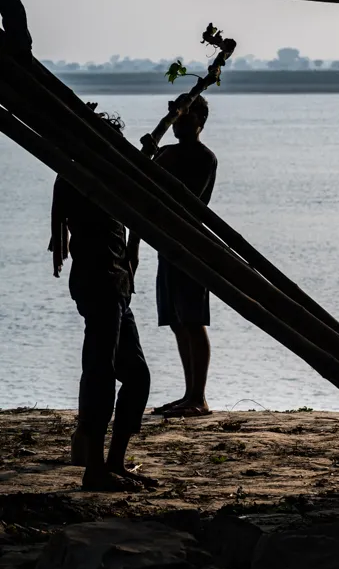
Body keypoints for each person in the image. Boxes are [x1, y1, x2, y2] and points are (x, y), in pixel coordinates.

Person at [49, 110, 151, 492]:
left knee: (136, 376)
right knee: (100, 373)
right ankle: (94, 469)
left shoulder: (106, 176)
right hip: (99, 283)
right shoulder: (82, 177)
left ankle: (114, 463)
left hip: (118, 286)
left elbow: (133, 210)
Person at [150, 96, 218, 417]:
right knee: (177, 322)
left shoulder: (205, 158)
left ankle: (199, 396)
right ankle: (188, 392)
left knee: (193, 320)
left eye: (185, 118)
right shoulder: (166, 153)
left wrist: (158, 161)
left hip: (191, 244)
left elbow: (185, 195)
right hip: (166, 243)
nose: (178, 123)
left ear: (200, 121)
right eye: (176, 118)